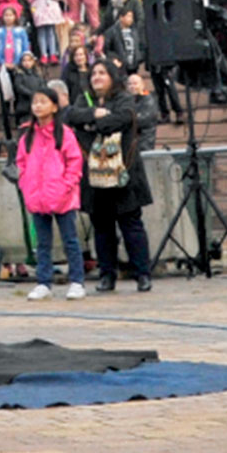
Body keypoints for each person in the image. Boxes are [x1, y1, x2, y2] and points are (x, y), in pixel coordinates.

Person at [63, 61, 155, 293]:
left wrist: (94, 124)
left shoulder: (123, 98)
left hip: (123, 172)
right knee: (102, 228)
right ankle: (107, 275)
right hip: (95, 176)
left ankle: (142, 273)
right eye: (94, 73)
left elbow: (124, 119)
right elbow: (71, 117)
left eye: (102, 73)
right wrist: (94, 114)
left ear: (112, 77)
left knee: (131, 225)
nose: (97, 77)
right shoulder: (84, 100)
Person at [14, 86, 86, 301]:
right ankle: (43, 282)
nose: (38, 106)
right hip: (37, 197)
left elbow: (74, 162)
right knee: (42, 243)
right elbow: (21, 163)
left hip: (62, 196)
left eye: (43, 102)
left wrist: (66, 186)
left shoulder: (64, 133)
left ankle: (77, 281)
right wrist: (26, 185)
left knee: (70, 240)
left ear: (54, 107)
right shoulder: (27, 136)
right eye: (35, 102)